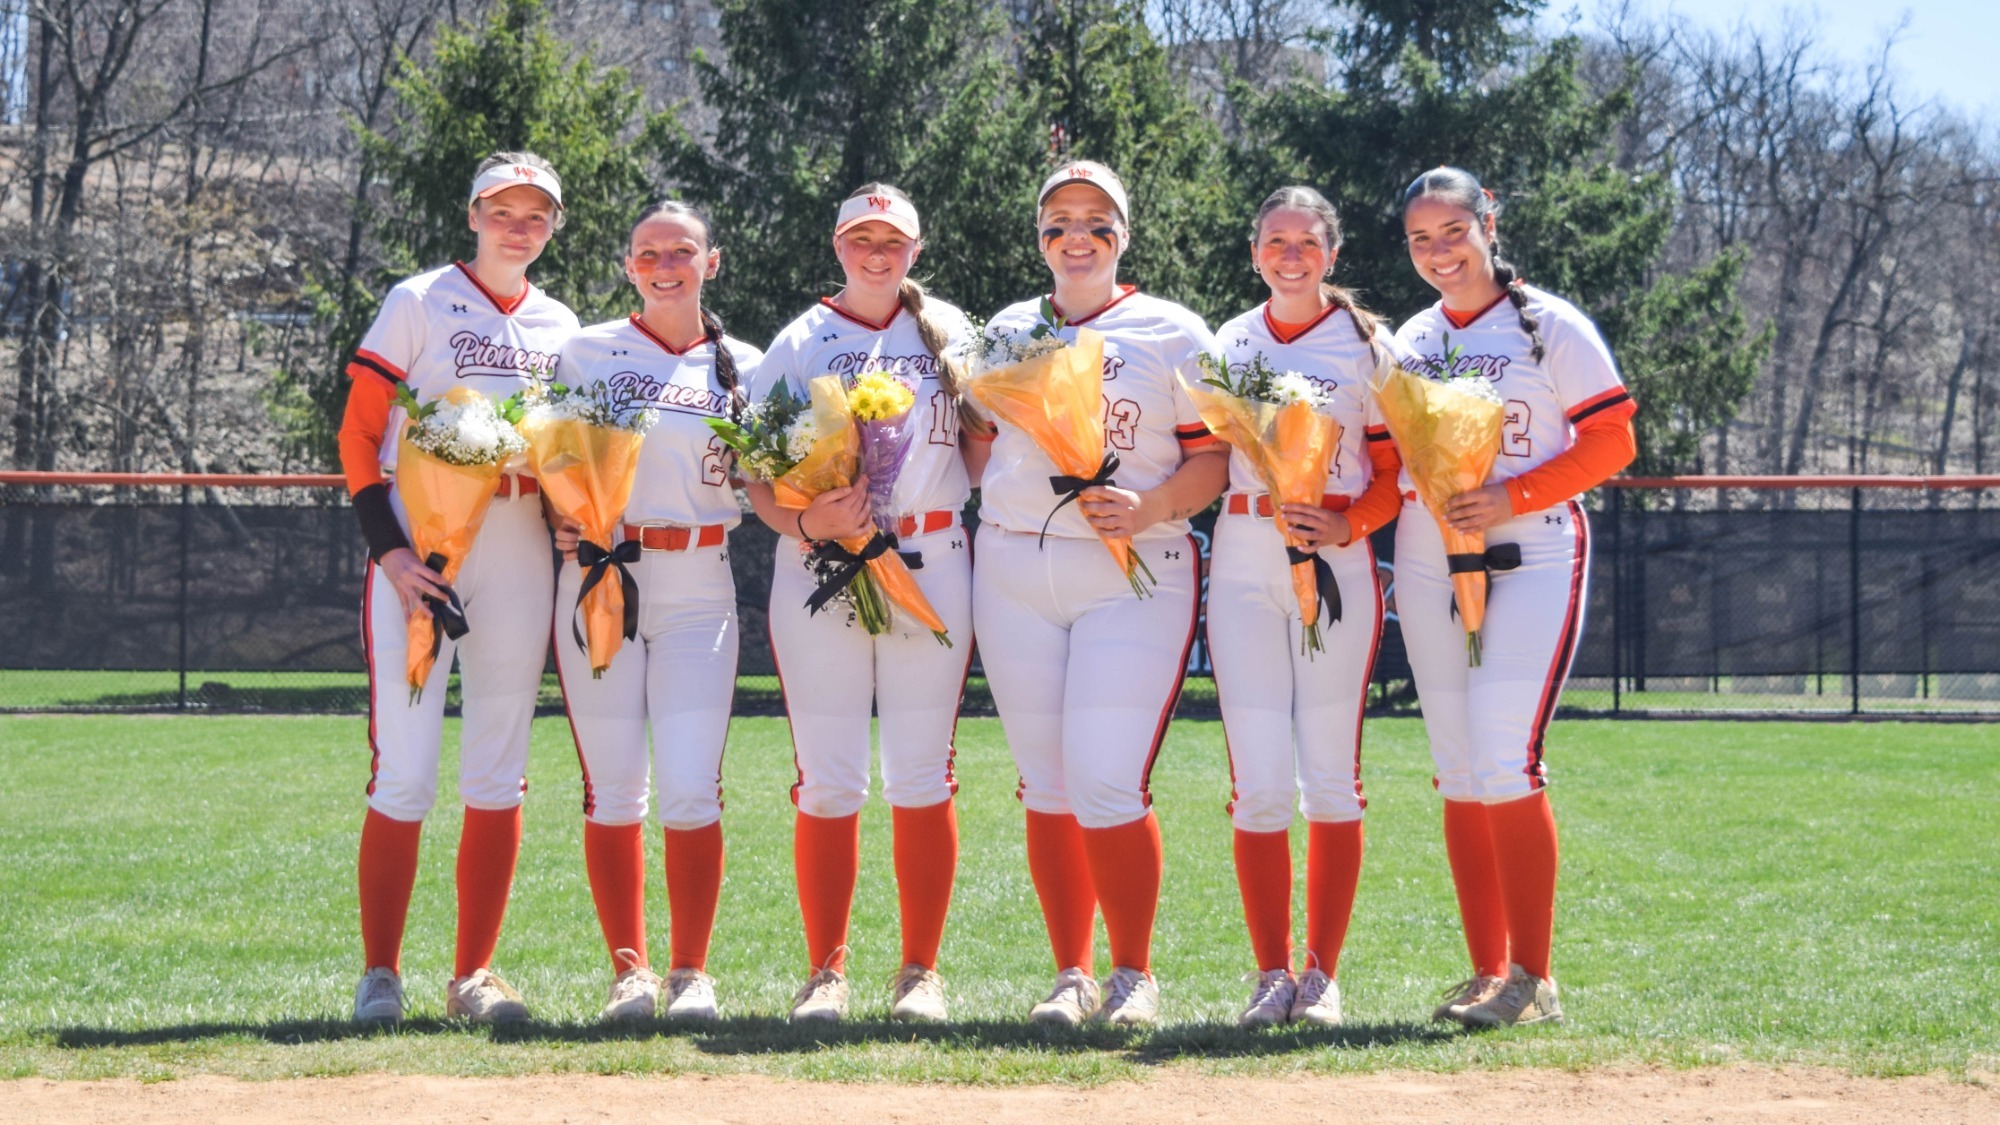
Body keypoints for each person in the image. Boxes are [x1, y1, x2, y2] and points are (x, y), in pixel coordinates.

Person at [973, 161, 1230, 1026]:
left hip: (1134, 567)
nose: (1075, 236)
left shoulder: (1170, 330)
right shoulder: (1009, 327)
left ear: (1125, 233)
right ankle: (1070, 973)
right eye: (1058, 220)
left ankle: (1134, 973)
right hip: (1012, 566)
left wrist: (1150, 505)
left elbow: (1215, 459)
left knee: (1107, 779)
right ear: (1038, 234)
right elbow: (977, 441)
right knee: (1046, 782)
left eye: (1096, 220)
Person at [1392, 166, 1637, 1027]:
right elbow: (1392, 463)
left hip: (1529, 548)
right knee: (1459, 768)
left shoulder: (1551, 325)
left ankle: (1534, 977)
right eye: (1421, 238)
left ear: (1488, 222)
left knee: (1505, 757)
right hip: (1427, 555)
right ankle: (1486, 969)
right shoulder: (1413, 336)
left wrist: (1514, 495)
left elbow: (1613, 440)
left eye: (1453, 230)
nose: (1438, 250)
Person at [339, 152, 578, 1024]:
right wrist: (390, 554)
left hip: (517, 540)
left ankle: (473, 974)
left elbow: (568, 450)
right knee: (404, 769)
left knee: (499, 766)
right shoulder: (417, 298)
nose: (519, 227)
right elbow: (359, 435)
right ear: (472, 212)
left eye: (537, 214)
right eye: (503, 210)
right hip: (426, 544)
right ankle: (381, 973)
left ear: (552, 227)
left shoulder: (563, 324)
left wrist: (574, 508)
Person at [742, 184, 978, 1023]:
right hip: (821, 565)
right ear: (838, 244)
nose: (877, 253)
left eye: (893, 240)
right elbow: (755, 476)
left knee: (921, 772)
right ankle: (827, 972)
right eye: (861, 238)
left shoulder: (948, 331)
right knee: (831, 776)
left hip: (932, 554)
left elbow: (988, 446)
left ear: (915, 249)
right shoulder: (800, 339)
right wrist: (805, 516)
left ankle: (921, 973)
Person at [548, 201, 760, 1022]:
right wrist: (556, 516)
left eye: (681, 250)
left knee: (690, 787)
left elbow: (774, 476)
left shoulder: (747, 360)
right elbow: (550, 462)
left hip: (699, 580)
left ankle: (690, 972)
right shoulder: (586, 350)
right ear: (628, 265)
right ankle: (628, 972)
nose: (663, 263)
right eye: (647, 252)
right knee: (612, 787)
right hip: (601, 573)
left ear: (712, 262)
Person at [1209, 186, 1415, 1026]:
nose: (1290, 255)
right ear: (1255, 251)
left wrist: (1348, 521)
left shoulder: (1372, 345)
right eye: (1274, 241)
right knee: (1258, 784)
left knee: (1330, 777)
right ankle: (1270, 971)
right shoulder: (1229, 340)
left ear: (1333, 253)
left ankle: (1322, 973)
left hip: (1335, 558)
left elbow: (1402, 472)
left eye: (1306, 242)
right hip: (1245, 556)